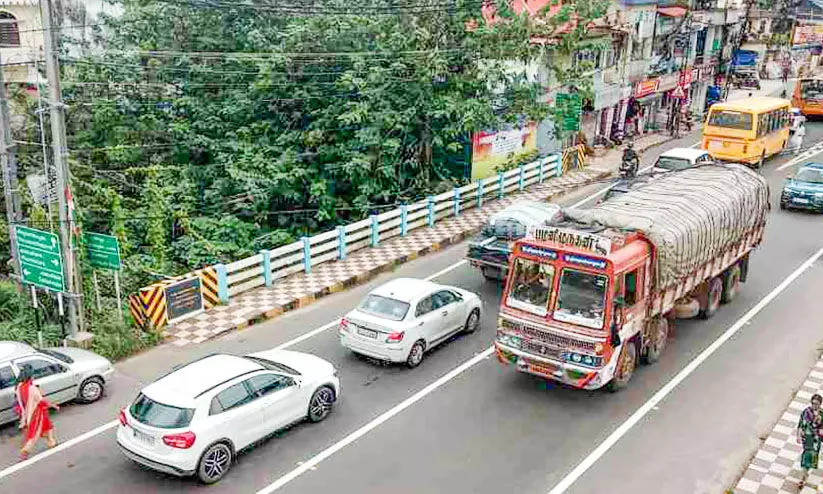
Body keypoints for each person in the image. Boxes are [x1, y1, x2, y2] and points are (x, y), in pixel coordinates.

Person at [15, 367, 59, 460]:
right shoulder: (32, 388)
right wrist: (53, 405)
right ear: (30, 376)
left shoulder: (19, 387)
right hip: (37, 412)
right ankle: (25, 450)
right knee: (34, 433)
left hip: (28, 413)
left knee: (48, 426)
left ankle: (51, 441)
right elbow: (41, 401)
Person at [797, 393, 823, 489]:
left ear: (820, 404)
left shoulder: (822, 414)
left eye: (817, 404)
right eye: (813, 403)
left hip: (816, 439)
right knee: (806, 456)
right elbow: (801, 424)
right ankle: (803, 476)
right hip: (807, 438)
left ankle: (805, 473)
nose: (814, 405)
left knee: (812, 456)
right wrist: (798, 435)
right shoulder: (806, 412)